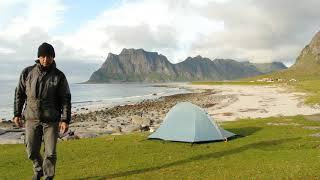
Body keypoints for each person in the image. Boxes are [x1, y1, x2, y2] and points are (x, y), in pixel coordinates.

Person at [13, 42, 71, 180]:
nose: (46, 59)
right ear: (38, 57)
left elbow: (65, 99)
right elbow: (19, 94)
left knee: (50, 153)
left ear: (53, 58)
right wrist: (17, 113)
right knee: (32, 151)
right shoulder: (27, 72)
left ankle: (48, 177)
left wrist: (65, 119)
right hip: (31, 118)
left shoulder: (59, 76)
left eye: (49, 56)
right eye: (43, 56)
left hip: (51, 120)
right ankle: (38, 170)